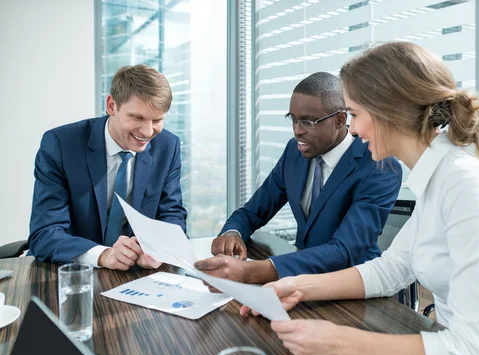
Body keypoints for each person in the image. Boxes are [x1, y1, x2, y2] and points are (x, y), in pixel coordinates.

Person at [240, 42, 479, 355]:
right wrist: (297, 286)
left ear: (388, 112)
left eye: (355, 115)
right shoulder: (437, 180)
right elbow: (393, 269)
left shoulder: (465, 186)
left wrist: (336, 340)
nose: (354, 131)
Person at [196, 72, 401, 285]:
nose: (297, 131)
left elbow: (344, 250)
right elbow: (253, 211)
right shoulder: (294, 153)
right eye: (293, 120)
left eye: (308, 122)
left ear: (340, 119)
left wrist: (256, 271)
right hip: (298, 280)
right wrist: (233, 232)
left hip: (351, 288)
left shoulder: (379, 166)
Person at [29, 64, 187, 270]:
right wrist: (103, 255)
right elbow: (45, 233)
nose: (148, 132)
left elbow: (172, 214)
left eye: (157, 120)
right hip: (70, 271)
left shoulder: (167, 146)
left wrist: (157, 247)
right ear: (112, 106)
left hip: (134, 274)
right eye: (137, 117)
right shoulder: (60, 145)